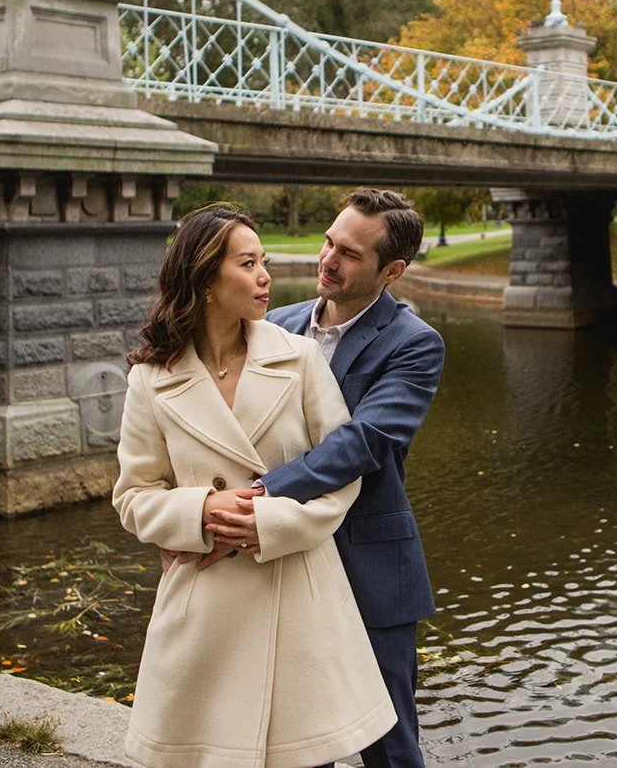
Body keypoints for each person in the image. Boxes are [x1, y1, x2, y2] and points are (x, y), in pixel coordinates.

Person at [115, 203, 396, 768]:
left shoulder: (298, 358)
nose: (266, 276)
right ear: (205, 278)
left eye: (263, 261)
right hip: (204, 603)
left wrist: (267, 523)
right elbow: (133, 496)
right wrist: (201, 512)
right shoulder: (150, 378)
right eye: (248, 263)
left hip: (295, 592)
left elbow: (341, 477)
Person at [183, 188, 445, 768]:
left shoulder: (414, 344)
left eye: (349, 253)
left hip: (369, 565)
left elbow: (363, 443)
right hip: (280, 558)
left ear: (391, 270)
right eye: (329, 241)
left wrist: (259, 494)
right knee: (297, 741)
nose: (328, 259)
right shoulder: (274, 324)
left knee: (390, 744)